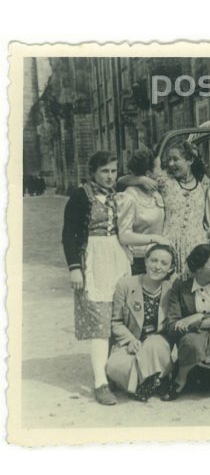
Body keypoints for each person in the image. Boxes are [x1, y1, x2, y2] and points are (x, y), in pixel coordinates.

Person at [62, 151, 131, 406]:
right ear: (93, 172)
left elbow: (135, 180)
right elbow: (69, 233)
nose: (110, 176)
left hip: (118, 258)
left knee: (118, 318)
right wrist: (74, 268)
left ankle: (114, 373)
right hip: (93, 260)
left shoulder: (120, 192)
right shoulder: (81, 196)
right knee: (99, 322)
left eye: (114, 170)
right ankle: (100, 382)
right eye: (105, 171)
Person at [161, 243, 210, 401]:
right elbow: (173, 326)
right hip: (194, 332)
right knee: (191, 342)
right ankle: (180, 379)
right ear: (198, 268)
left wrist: (198, 317)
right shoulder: (181, 285)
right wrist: (203, 320)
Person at [119, 141, 210, 276]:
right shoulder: (165, 181)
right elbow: (120, 181)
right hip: (169, 244)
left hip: (196, 245)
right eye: (169, 160)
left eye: (175, 159)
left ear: (190, 160)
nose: (171, 164)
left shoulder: (204, 183)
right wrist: (140, 179)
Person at [106, 244, 176, 401]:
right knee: (114, 365)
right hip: (131, 344)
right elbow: (116, 322)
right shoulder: (125, 285)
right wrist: (130, 340)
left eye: (164, 263)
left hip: (157, 347)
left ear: (171, 269)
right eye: (154, 261)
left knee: (154, 343)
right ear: (146, 261)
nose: (157, 267)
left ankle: (140, 385)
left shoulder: (171, 289)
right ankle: (155, 379)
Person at [117, 149, 167, 275]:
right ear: (148, 173)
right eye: (159, 168)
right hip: (138, 262)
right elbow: (124, 236)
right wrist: (155, 238)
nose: (162, 172)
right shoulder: (129, 196)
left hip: (157, 258)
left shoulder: (155, 192)